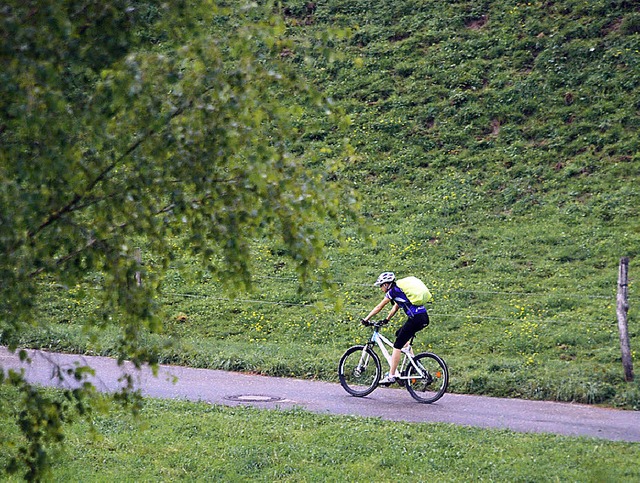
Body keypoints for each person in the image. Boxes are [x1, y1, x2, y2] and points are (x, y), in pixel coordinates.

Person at [361, 272, 429, 385]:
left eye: (381, 285)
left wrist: (366, 319)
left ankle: (391, 375)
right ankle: (414, 364)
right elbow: (396, 306)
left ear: (387, 284)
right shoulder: (400, 291)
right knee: (400, 334)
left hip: (415, 318)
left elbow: (379, 306)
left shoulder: (393, 291)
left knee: (397, 345)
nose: (380, 288)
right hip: (423, 317)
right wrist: (387, 319)